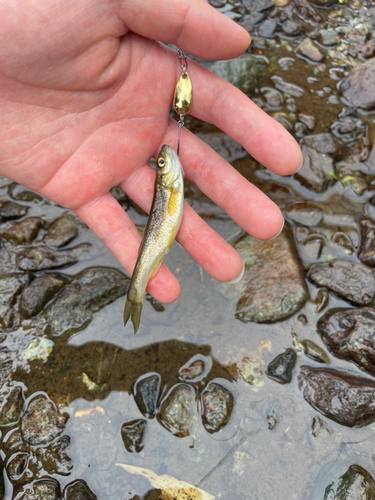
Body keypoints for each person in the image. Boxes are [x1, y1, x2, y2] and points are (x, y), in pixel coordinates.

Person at [0, 0, 302, 304]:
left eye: (161, 162)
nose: (164, 158)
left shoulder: (168, 183)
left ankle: (138, 290)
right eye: (161, 162)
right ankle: (136, 292)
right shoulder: (170, 183)